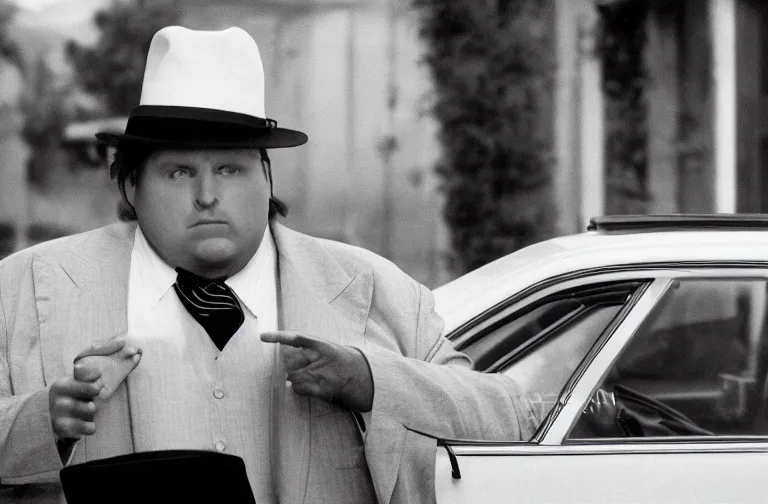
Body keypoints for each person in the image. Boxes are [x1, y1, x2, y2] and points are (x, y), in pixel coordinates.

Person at [0, 26, 537, 504]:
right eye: (179, 173)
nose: (208, 195)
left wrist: (374, 382)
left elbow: (507, 419)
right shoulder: (24, 288)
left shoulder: (372, 290)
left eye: (231, 169)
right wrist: (39, 421)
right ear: (132, 185)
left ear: (266, 178)